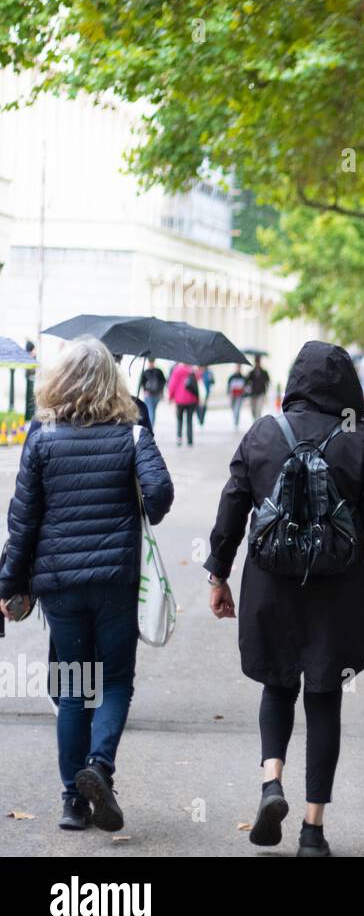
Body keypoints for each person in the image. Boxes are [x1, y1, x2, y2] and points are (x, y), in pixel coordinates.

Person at [204, 340, 364, 857]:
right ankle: (313, 832)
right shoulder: (358, 440)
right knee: (324, 697)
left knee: (276, 685)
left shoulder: (263, 432)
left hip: (270, 583)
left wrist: (218, 574)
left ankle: (272, 782)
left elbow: (232, 506)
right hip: (336, 588)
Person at [0, 337, 174, 833]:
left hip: (59, 583)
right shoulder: (132, 431)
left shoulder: (42, 434)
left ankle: (72, 803)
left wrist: (10, 583)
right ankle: (99, 766)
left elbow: (23, 520)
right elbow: (160, 497)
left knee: (74, 685)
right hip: (116, 579)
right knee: (116, 680)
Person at [167, 361, 201, 446]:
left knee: (179, 420)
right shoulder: (192, 370)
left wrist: (171, 397)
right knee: (189, 420)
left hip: (180, 400)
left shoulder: (177, 370)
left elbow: (172, 385)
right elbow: (198, 381)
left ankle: (179, 439)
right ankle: (190, 440)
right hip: (191, 400)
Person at [137, 357, 166, 427]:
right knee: (151, 411)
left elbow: (163, 382)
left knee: (152, 411)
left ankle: (150, 426)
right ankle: (150, 426)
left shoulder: (156, 371)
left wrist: (161, 392)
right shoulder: (148, 371)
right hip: (149, 395)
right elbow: (141, 383)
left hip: (156, 395)